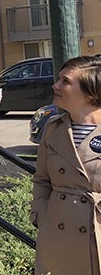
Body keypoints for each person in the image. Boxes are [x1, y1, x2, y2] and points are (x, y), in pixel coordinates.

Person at [31, 55, 101, 275]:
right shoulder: (53, 128)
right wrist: (40, 214)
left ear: (91, 93)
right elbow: (41, 179)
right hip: (57, 234)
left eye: (65, 81)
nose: (55, 85)